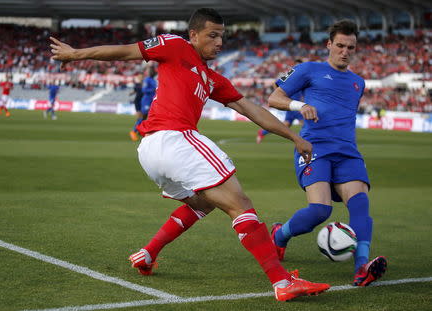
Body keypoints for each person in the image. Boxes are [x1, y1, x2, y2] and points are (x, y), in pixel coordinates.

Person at [50, 8, 330, 301]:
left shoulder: (212, 78)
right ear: (193, 35)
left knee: (202, 203)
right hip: (174, 139)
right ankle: (282, 282)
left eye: (222, 36)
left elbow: (253, 110)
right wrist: (74, 54)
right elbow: (125, 51)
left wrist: (293, 137)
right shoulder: (175, 45)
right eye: (212, 35)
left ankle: (148, 253)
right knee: (241, 203)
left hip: (150, 152)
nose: (219, 42)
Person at [267, 20, 387, 287]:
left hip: (347, 152)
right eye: (340, 45)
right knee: (320, 211)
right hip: (314, 149)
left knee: (360, 205)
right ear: (329, 44)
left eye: (350, 47)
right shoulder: (309, 69)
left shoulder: (358, 83)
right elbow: (273, 98)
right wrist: (300, 105)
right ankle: (279, 235)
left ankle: (362, 266)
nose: (345, 51)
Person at [256, 59, 304, 144]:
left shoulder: (303, 76)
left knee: (284, 126)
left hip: (294, 105)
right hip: (293, 105)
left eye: (301, 65)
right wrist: (279, 95)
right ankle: (308, 142)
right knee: (305, 123)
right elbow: (275, 83)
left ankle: (262, 132)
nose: (300, 67)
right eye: (298, 65)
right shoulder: (290, 75)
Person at [130, 66, 157, 141]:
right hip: (146, 101)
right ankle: (133, 132)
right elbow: (144, 90)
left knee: (146, 118)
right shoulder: (147, 80)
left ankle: (141, 131)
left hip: (151, 100)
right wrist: (153, 89)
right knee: (143, 116)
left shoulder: (152, 80)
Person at [129, 73, 144, 141]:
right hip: (138, 102)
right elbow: (136, 91)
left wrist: (131, 93)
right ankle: (133, 132)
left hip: (141, 101)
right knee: (140, 117)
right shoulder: (139, 85)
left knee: (142, 118)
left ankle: (138, 131)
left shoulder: (141, 85)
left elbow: (134, 91)